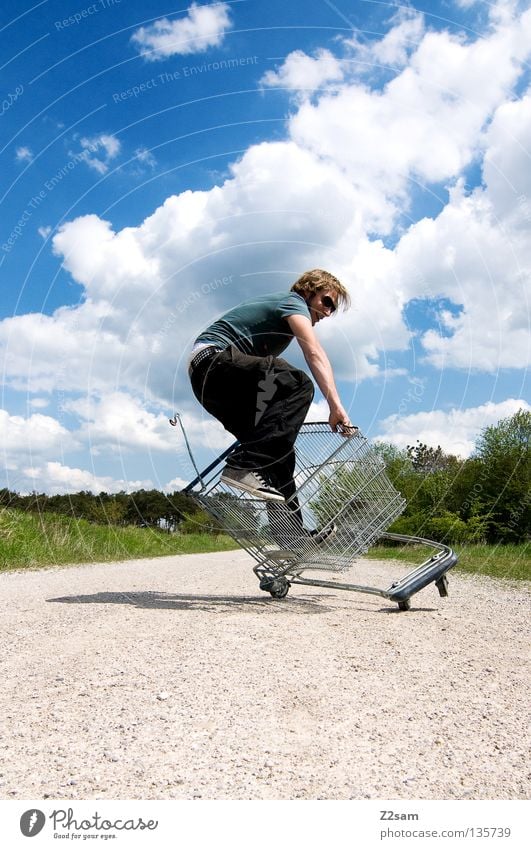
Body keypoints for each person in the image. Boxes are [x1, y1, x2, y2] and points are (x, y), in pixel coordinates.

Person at [187, 268, 355, 544]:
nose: (328, 313)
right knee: (298, 383)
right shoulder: (292, 303)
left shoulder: (288, 316)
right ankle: (243, 464)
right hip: (213, 362)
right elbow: (314, 352)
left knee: (279, 451)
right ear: (309, 291)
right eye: (327, 302)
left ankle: (290, 538)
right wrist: (336, 406)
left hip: (210, 383)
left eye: (333, 309)